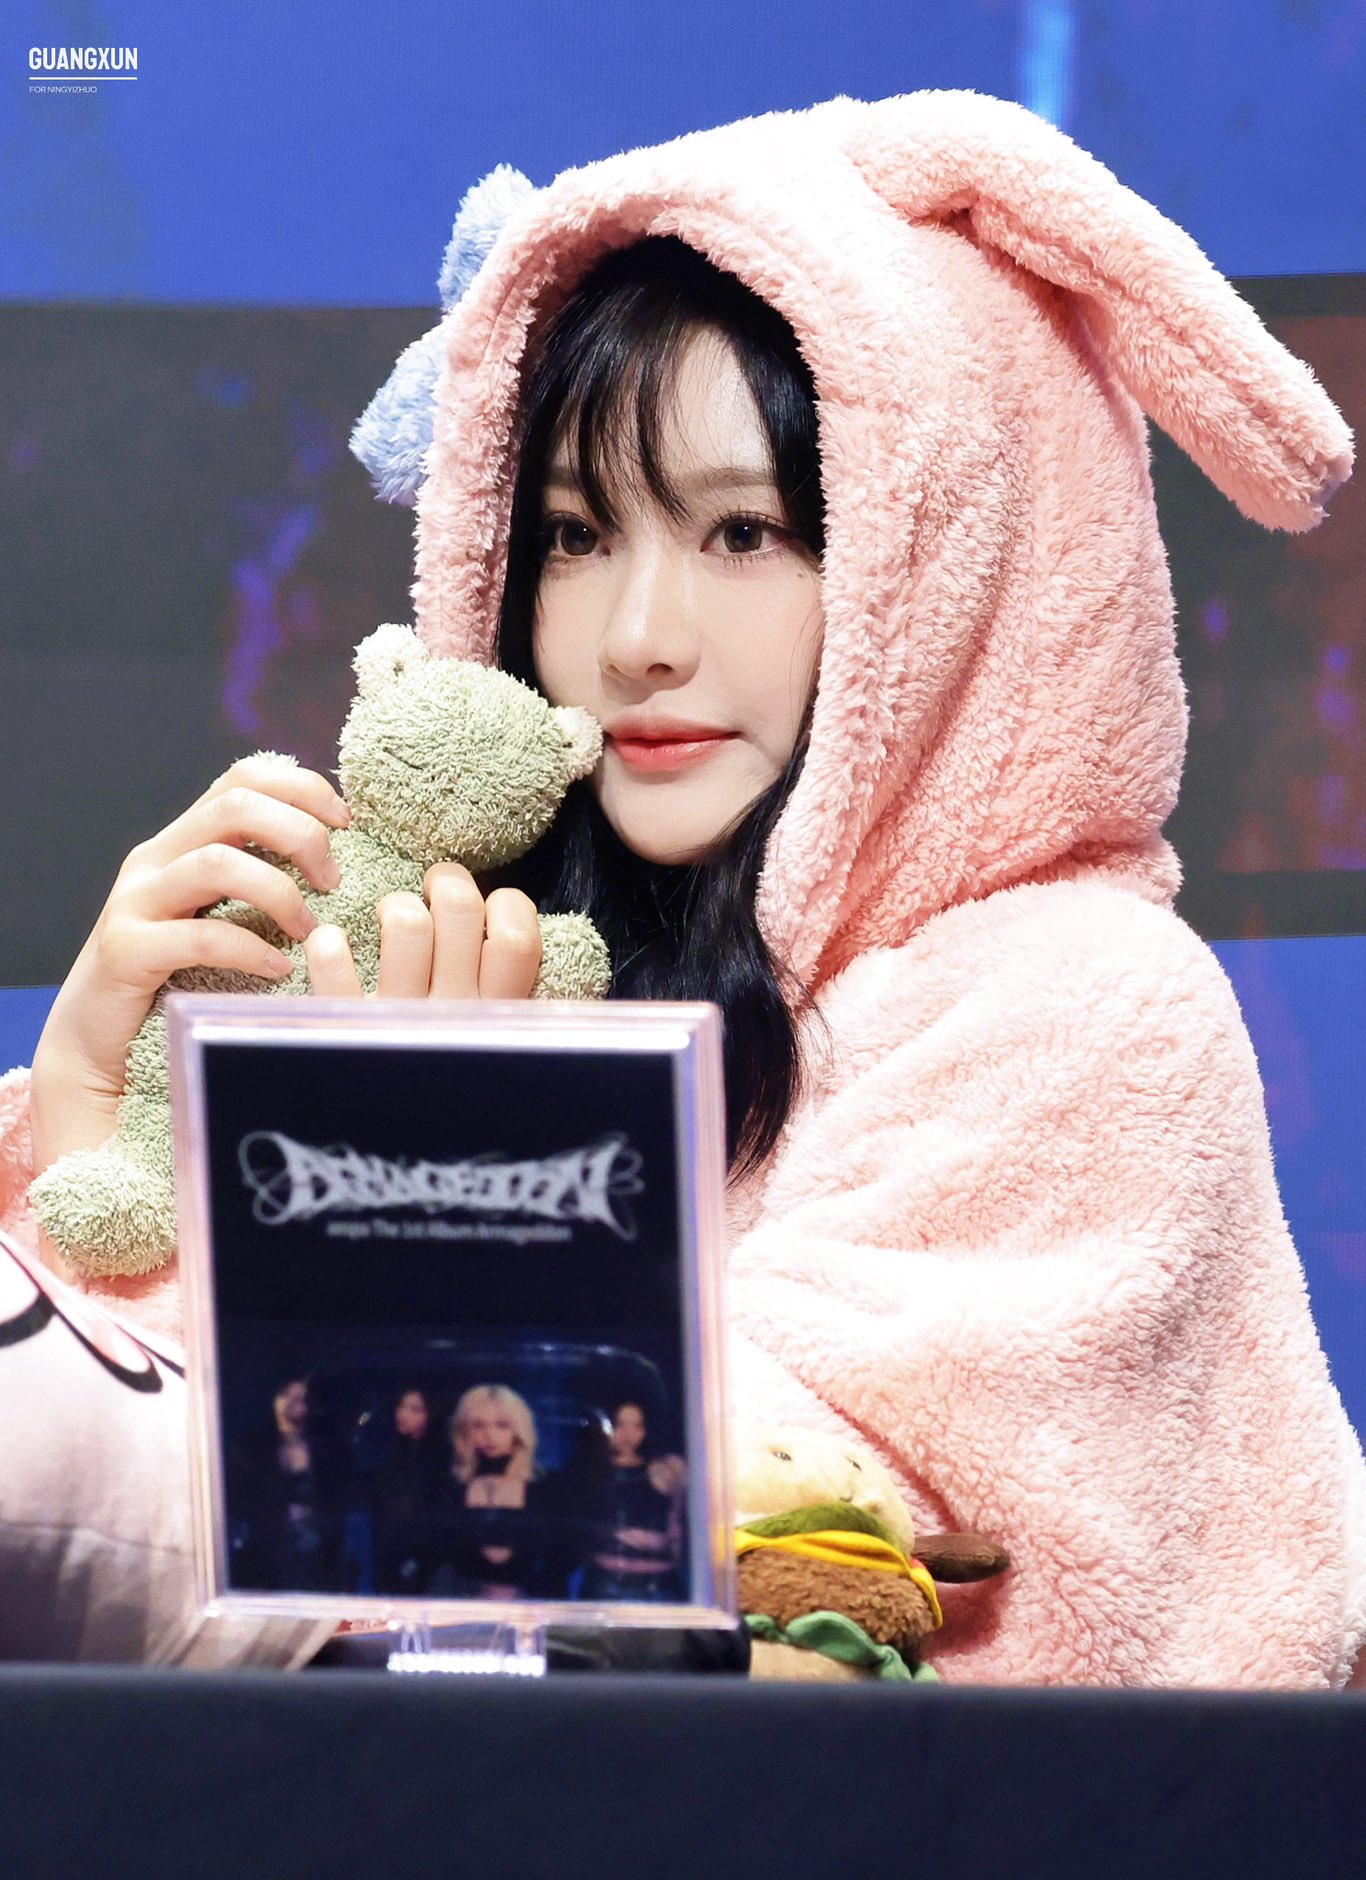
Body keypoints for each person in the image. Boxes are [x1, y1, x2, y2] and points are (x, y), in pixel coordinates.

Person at [7, 89, 1366, 1685]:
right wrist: (93, 1104)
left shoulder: (1082, 1013)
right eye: (575, 534)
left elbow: (799, 1556)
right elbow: (152, 1548)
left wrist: (432, 1190)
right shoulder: (508, 952)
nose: (639, 636)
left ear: (957, 555)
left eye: (741, 534)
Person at [430, 1383, 559, 1601]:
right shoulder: (450, 1486)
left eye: (502, 1425)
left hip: (530, 1607)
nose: (489, 1435)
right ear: (464, 1431)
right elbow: (438, 1552)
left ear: (519, 1430)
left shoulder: (547, 1486)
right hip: (460, 1604)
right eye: (478, 1425)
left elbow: (559, 1556)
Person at [228, 1377, 349, 1594]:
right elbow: (239, 1502)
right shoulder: (250, 1449)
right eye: (286, 1394)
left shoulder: (327, 1451)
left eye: (300, 1398)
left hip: (316, 1560)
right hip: (266, 1559)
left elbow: (339, 1501)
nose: (291, 1403)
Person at [579, 1401, 687, 1605]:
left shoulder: (666, 1468)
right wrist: (615, 1533)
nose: (629, 1434)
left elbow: (678, 1524)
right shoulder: (588, 1471)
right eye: (620, 1425)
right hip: (605, 1584)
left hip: (659, 1585)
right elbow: (577, 1526)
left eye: (637, 1425)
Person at [370, 1386, 447, 1595]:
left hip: (424, 1563)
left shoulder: (439, 1460)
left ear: (431, 1414)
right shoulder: (392, 1451)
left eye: (415, 1409)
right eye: (401, 1406)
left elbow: (435, 1520)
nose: (403, 1414)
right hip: (388, 1556)